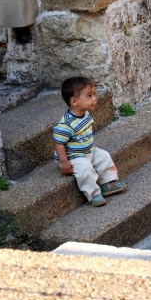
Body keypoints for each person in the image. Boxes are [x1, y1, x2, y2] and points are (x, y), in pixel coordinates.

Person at [53, 77, 127, 207]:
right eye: (89, 96)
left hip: (88, 152)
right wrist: (64, 162)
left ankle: (108, 183)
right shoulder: (66, 124)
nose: (94, 98)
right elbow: (58, 143)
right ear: (74, 101)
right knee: (85, 169)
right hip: (73, 157)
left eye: (94, 94)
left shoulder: (85, 114)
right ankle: (93, 194)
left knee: (103, 156)